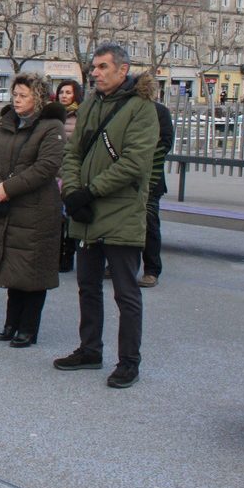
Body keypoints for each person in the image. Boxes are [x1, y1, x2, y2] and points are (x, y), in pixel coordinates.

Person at [54, 43, 159, 389]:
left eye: (101, 67)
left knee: (126, 293)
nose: (94, 73)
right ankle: (90, 349)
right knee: (87, 286)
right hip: (87, 211)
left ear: (122, 69)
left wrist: (90, 190)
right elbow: (72, 152)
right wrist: (72, 190)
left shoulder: (142, 109)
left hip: (121, 213)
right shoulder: (90, 104)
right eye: (93, 67)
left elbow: (135, 163)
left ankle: (129, 361)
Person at [0, 73, 65, 347]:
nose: (16, 100)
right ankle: (11, 323)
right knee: (12, 265)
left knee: (34, 268)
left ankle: (28, 327)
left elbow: (45, 167)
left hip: (37, 209)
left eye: (23, 95)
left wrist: (8, 187)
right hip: (9, 206)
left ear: (38, 98)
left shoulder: (51, 127)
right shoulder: (8, 124)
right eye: (15, 95)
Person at [140, 92, 175, 288]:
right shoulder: (125, 111)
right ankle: (120, 265)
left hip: (151, 180)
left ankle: (151, 270)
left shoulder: (160, 111)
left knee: (150, 225)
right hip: (126, 179)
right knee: (122, 223)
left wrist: (141, 154)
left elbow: (166, 142)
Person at [55, 79, 84, 272]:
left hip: (72, 173)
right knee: (55, 217)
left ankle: (68, 255)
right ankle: (55, 255)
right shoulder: (52, 116)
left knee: (70, 217)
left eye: (68, 92)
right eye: (61, 92)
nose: (64, 96)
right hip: (54, 172)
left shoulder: (81, 117)